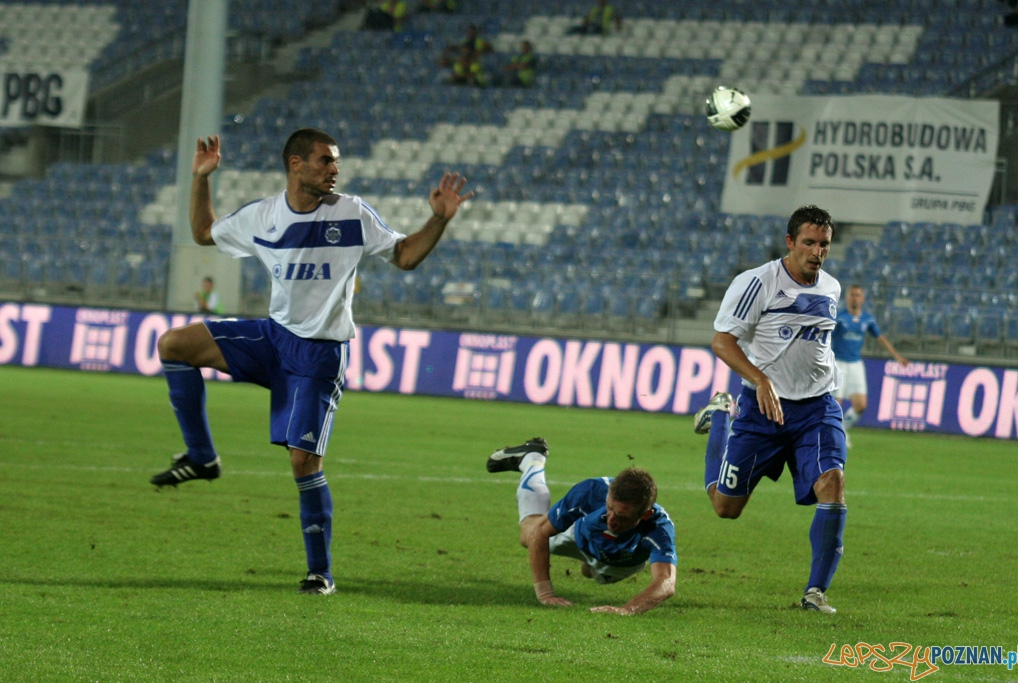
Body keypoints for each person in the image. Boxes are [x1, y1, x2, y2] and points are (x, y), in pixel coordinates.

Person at [149, 129, 472, 596]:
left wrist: (437, 220)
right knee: (174, 343)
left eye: (336, 162)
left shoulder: (352, 213)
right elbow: (203, 233)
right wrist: (201, 179)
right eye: (325, 161)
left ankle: (320, 572)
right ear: (295, 164)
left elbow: (404, 257)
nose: (334, 169)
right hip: (273, 338)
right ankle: (202, 458)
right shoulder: (263, 216)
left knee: (303, 461)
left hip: (319, 353)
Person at [701, 205, 846, 614]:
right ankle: (718, 419)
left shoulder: (830, 289)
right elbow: (722, 342)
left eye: (824, 244)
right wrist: (762, 380)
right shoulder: (757, 282)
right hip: (762, 410)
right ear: (790, 242)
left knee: (832, 482)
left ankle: (815, 592)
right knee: (726, 508)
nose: (817, 252)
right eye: (809, 243)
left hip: (816, 409)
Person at [487, 437, 677, 615]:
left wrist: (627, 610)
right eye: (609, 508)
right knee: (528, 535)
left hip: (621, 561)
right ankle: (532, 459)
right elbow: (539, 533)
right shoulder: (590, 492)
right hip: (579, 536)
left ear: (645, 515)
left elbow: (666, 581)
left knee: (591, 574)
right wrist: (546, 594)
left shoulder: (659, 528)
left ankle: (590, 564)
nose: (611, 519)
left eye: (621, 516)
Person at [832, 284, 909, 448]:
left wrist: (897, 356)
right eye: (852, 295)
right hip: (838, 363)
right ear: (847, 298)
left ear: (863, 298)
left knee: (861, 405)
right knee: (835, 406)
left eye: (858, 295)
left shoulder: (868, 319)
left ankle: (843, 430)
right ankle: (835, 436)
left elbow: (880, 338)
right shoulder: (839, 317)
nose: (855, 298)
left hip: (856, 364)